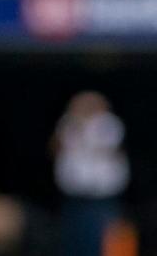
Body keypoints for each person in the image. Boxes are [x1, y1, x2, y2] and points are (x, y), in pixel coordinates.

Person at [52, 91, 130, 256]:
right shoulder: (68, 123)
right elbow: (57, 146)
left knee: (100, 239)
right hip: (75, 195)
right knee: (73, 239)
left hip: (101, 197)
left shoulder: (108, 123)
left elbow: (103, 145)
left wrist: (83, 126)